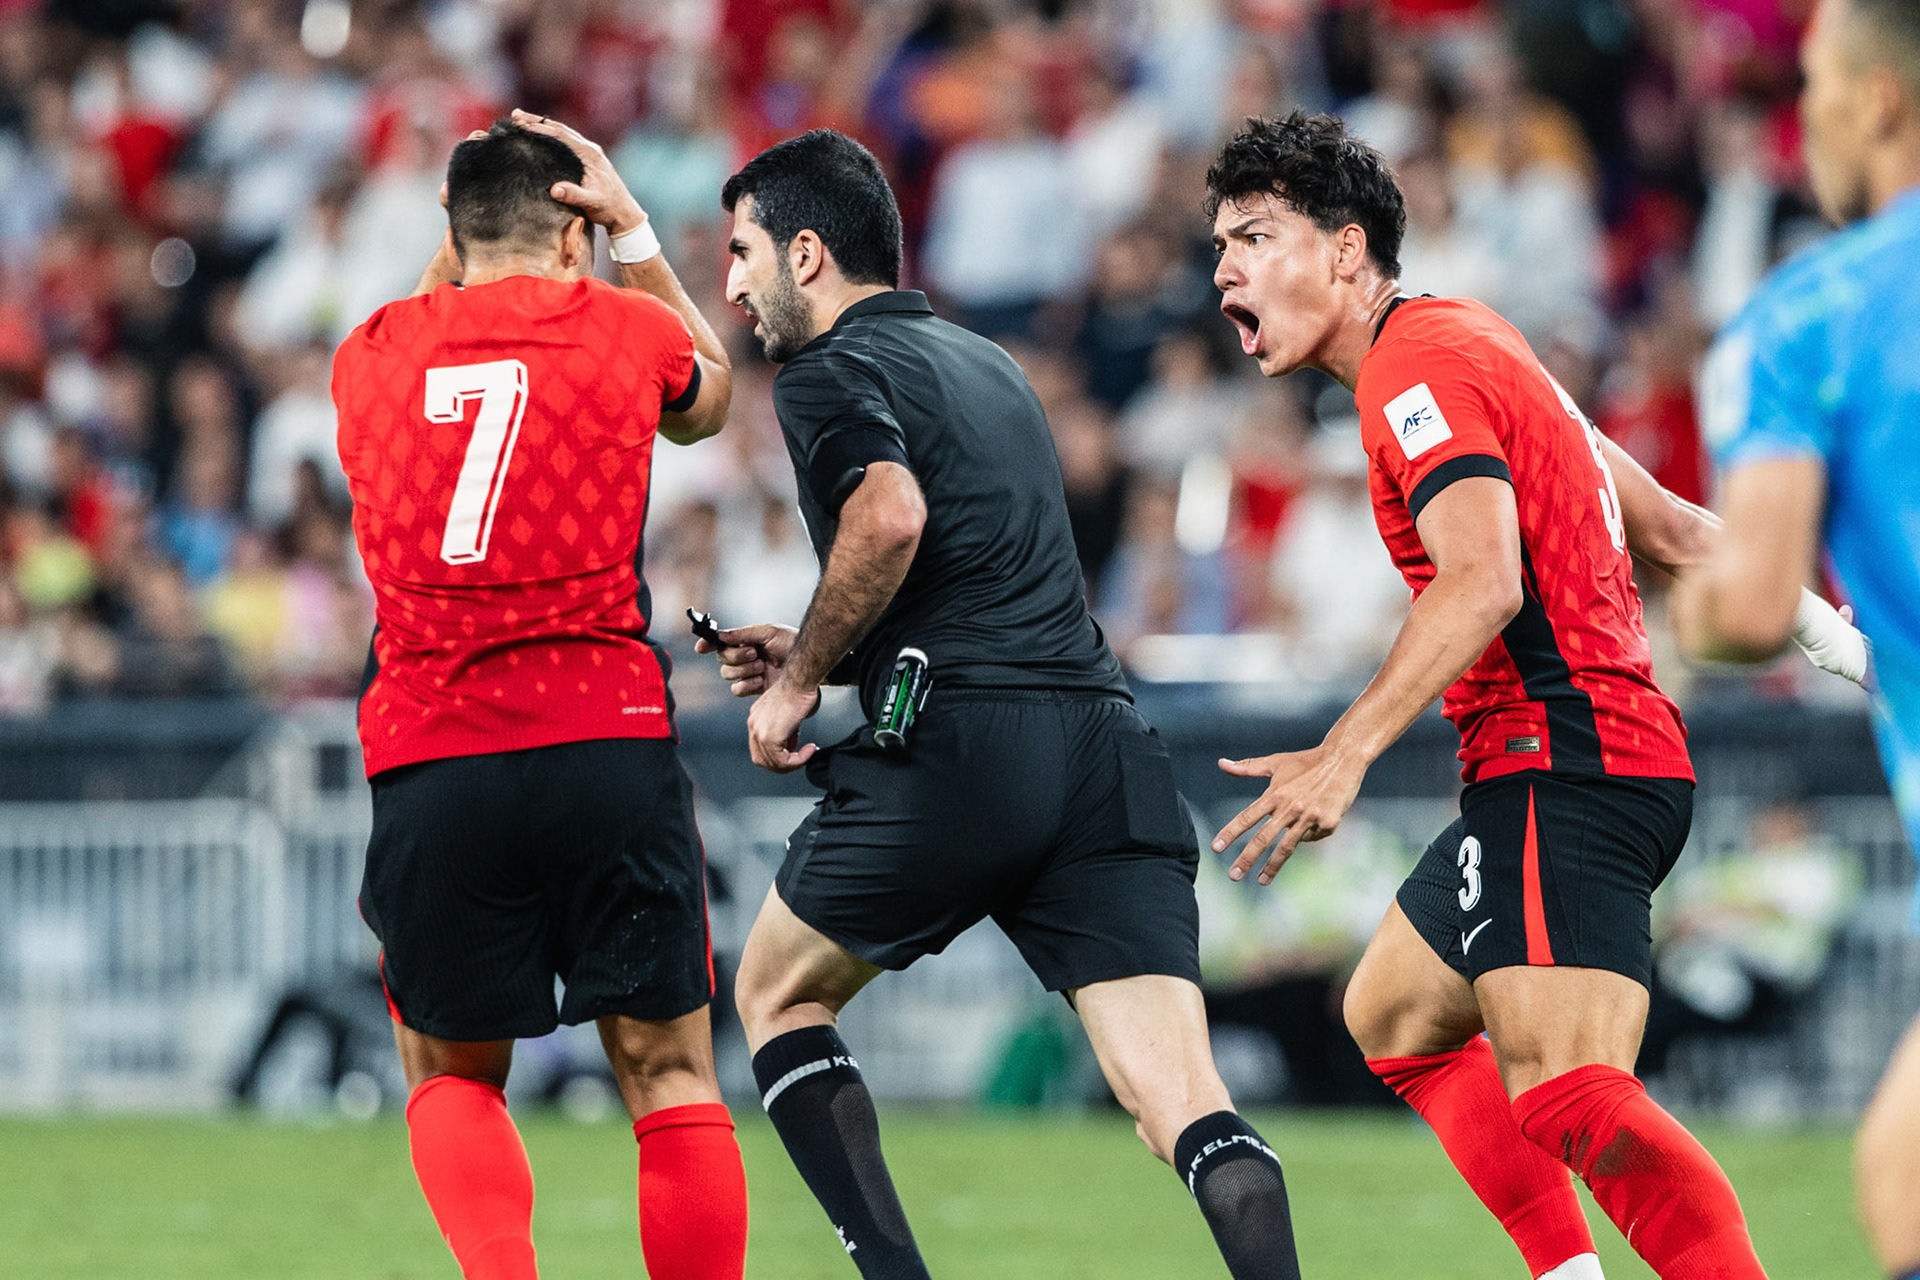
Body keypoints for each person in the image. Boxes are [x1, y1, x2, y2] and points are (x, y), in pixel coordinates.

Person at [1205, 111, 1863, 1280]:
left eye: (1255, 237)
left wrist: (1346, 751)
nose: (1225, 271)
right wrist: (1843, 645)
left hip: (1567, 760)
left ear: (1348, 252)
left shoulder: (1414, 373)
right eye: (1220, 247)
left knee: (1569, 1091)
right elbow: (1667, 524)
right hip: (1588, 758)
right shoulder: (1473, 339)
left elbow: (1484, 581)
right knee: (1396, 1016)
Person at [701, 128, 1301, 1280]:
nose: (732, 282)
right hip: (1103, 744)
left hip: (966, 742)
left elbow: (889, 518)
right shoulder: (992, 363)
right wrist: (830, 644)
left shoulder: (824, 370)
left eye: (742, 251)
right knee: (1184, 1101)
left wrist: (792, 687)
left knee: (775, 990)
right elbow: (978, 567)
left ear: (808, 254)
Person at [332, 114, 745, 1280]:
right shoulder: (618, 327)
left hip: (436, 751)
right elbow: (710, 397)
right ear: (573, 233)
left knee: (453, 1073)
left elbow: (434, 299)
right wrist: (638, 237)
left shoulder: (368, 353)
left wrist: (458, 250)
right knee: (668, 1073)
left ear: (454, 239)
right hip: (606, 738)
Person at [1676, 0, 1920, 1273]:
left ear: (1878, 99)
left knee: (1903, 1179)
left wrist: (1684, 591)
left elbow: (1755, 602)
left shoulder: (1811, 312)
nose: (1800, 112)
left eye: (1815, 80)